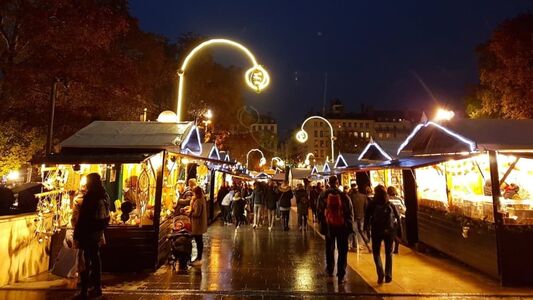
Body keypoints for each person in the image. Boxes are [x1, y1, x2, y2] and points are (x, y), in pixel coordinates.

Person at [73, 173, 110, 299]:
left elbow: (84, 217)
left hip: (88, 232)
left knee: (85, 260)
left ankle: (84, 289)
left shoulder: (91, 196)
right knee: (95, 259)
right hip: (98, 232)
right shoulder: (104, 195)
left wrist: (77, 234)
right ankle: (97, 287)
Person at [317, 175, 354, 285]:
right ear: (337, 182)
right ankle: (341, 274)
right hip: (342, 226)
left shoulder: (323, 194)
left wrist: (322, 224)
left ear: (329, 182)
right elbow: (350, 212)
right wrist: (350, 227)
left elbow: (319, 210)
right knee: (343, 250)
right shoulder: (344, 195)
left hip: (329, 226)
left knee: (329, 248)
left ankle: (330, 270)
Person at [365, 185, 402, 284]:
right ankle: (388, 275)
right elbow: (398, 218)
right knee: (389, 254)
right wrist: (399, 233)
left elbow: (367, 217)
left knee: (376, 253)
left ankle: (380, 273)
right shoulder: (389, 204)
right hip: (389, 231)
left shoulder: (372, 204)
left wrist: (366, 229)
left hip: (376, 231)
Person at [187, 186, 208, 267]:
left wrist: (189, 213)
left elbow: (197, 214)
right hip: (199, 224)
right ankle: (198, 258)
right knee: (199, 241)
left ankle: (198, 259)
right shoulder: (201, 199)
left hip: (197, 224)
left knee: (198, 241)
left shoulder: (198, 201)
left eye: (193, 192)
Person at [348, 184, 372, 253]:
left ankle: (355, 246)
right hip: (362, 216)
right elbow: (366, 207)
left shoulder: (350, 197)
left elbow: (349, 208)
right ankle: (368, 245)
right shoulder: (364, 196)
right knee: (361, 231)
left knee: (354, 231)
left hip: (353, 217)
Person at [387, 186, 405, 254]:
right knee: (396, 233)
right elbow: (404, 209)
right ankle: (396, 249)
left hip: (389, 220)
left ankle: (390, 248)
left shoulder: (387, 199)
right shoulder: (399, 199)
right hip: (398, 220)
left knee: (390, 234)